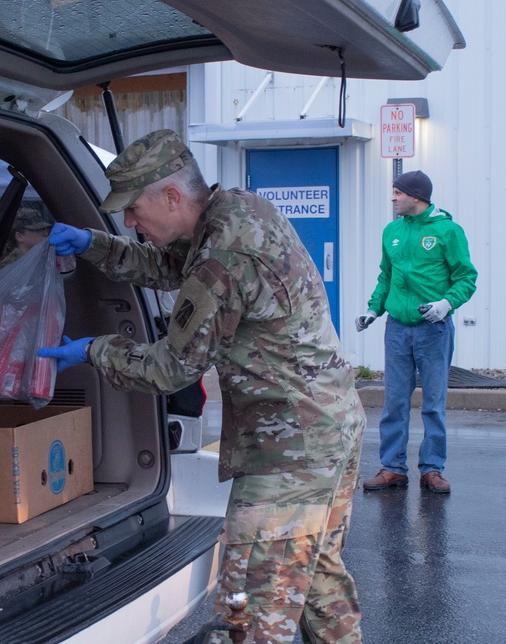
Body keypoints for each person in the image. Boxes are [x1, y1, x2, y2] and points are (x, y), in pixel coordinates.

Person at [39, 130, 365, 643]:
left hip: (291, 451)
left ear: (171, 196)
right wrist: (96, 247)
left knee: (254, 605)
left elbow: (172, 368)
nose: (128, 221)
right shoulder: (235, 210)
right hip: (328, 428)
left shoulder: (224, 255)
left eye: (132, 209)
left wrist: (92, 351)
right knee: (317, 577)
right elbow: (173, 266)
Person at [356, 170, 477, 494]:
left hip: (433, 329)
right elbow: (387, 276)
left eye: (398, 193)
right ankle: (392, 468)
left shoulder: (448, 231)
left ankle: (432, 469)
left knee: (433, 403)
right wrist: (373, 309)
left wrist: (446, 304)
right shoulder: (392, 231)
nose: (393, 198)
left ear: (416, 197)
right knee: (394, 402)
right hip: (396, 328)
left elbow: (466, 278)